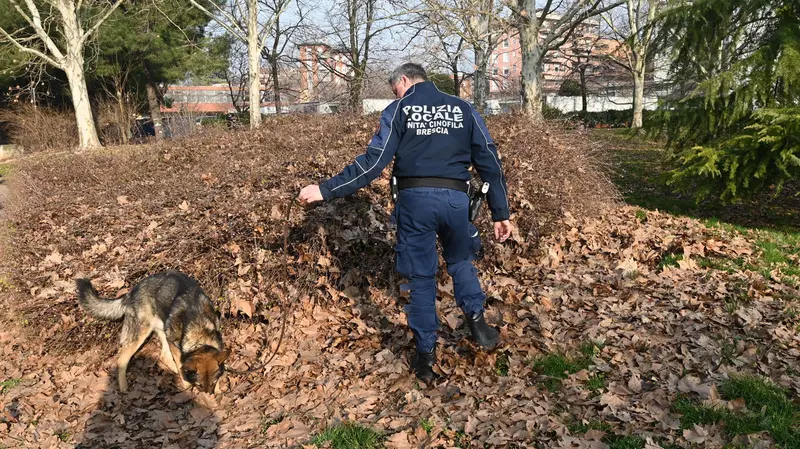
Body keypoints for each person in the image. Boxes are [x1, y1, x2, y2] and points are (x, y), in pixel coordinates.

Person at [298, 63, 512, 382]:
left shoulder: (400, 109)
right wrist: (501, 211)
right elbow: (489, 161)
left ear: (404, 80)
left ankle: (426, 356)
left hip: (415, 202)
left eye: (394, 88)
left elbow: (374, 162)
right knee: (461, 261)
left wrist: (326, 189)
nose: (394, 94)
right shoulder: (464, 108)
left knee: (421, 278)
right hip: (456, 201)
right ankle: (477, 320)